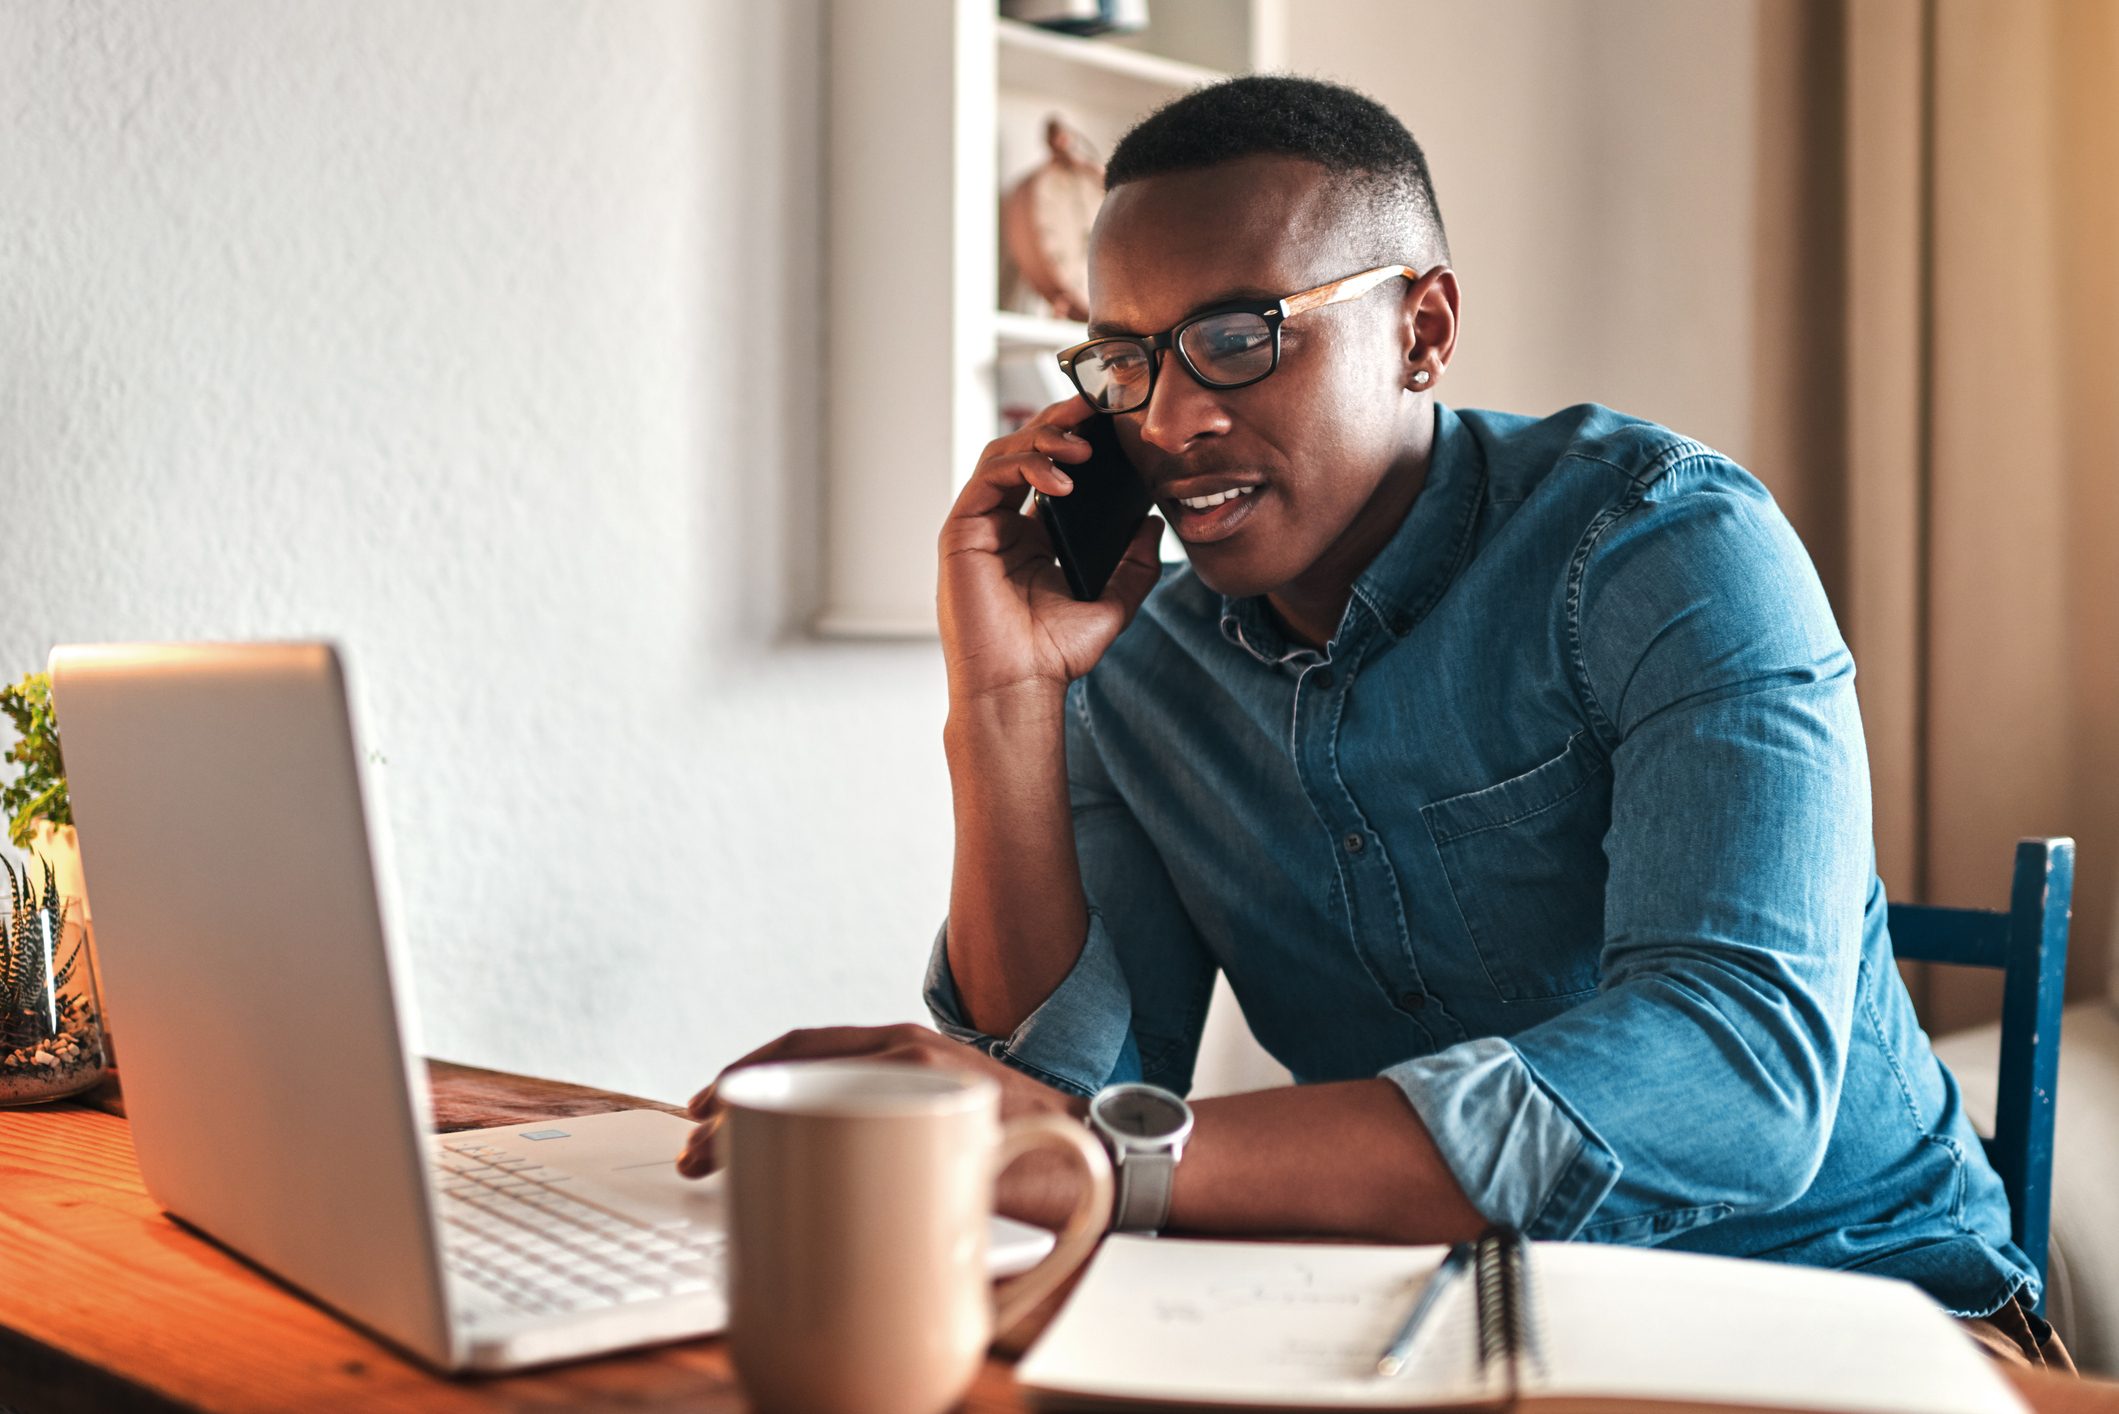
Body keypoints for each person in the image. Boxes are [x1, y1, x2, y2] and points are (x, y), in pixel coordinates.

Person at [679, 75, 2069, 1369]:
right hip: (1432, 1320)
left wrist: (1127, 1160)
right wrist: (1004, 703)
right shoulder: (1142, 661)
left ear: (1424, 329)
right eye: (1123, 359)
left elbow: (1736, 1072)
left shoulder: (1665, 546)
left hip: (1855, 1309)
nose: (1168, 420)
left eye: (1237, 338)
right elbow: (1060, 1106)